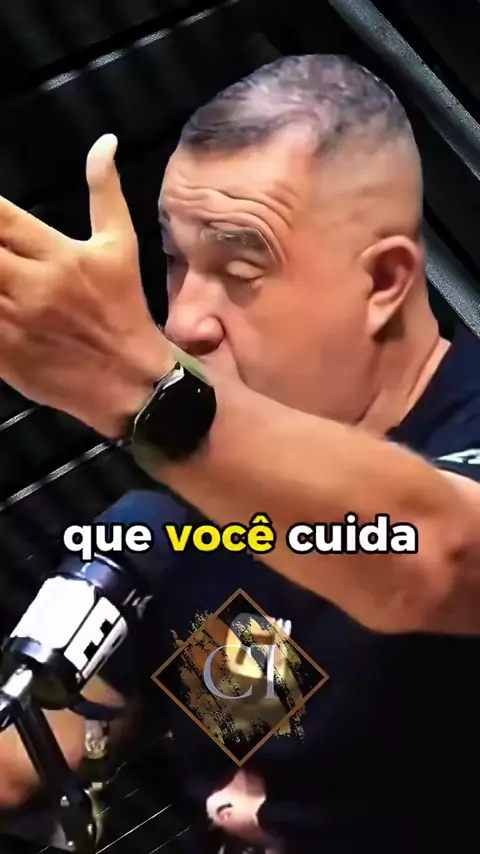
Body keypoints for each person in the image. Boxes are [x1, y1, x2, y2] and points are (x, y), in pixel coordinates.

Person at [0, 54, 480, 852]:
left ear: (385, 281)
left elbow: (436, 558)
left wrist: (130, 384)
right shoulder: (170, 532)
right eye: (176, 263)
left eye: (239, 267)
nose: (185, 321)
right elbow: (24, 758)